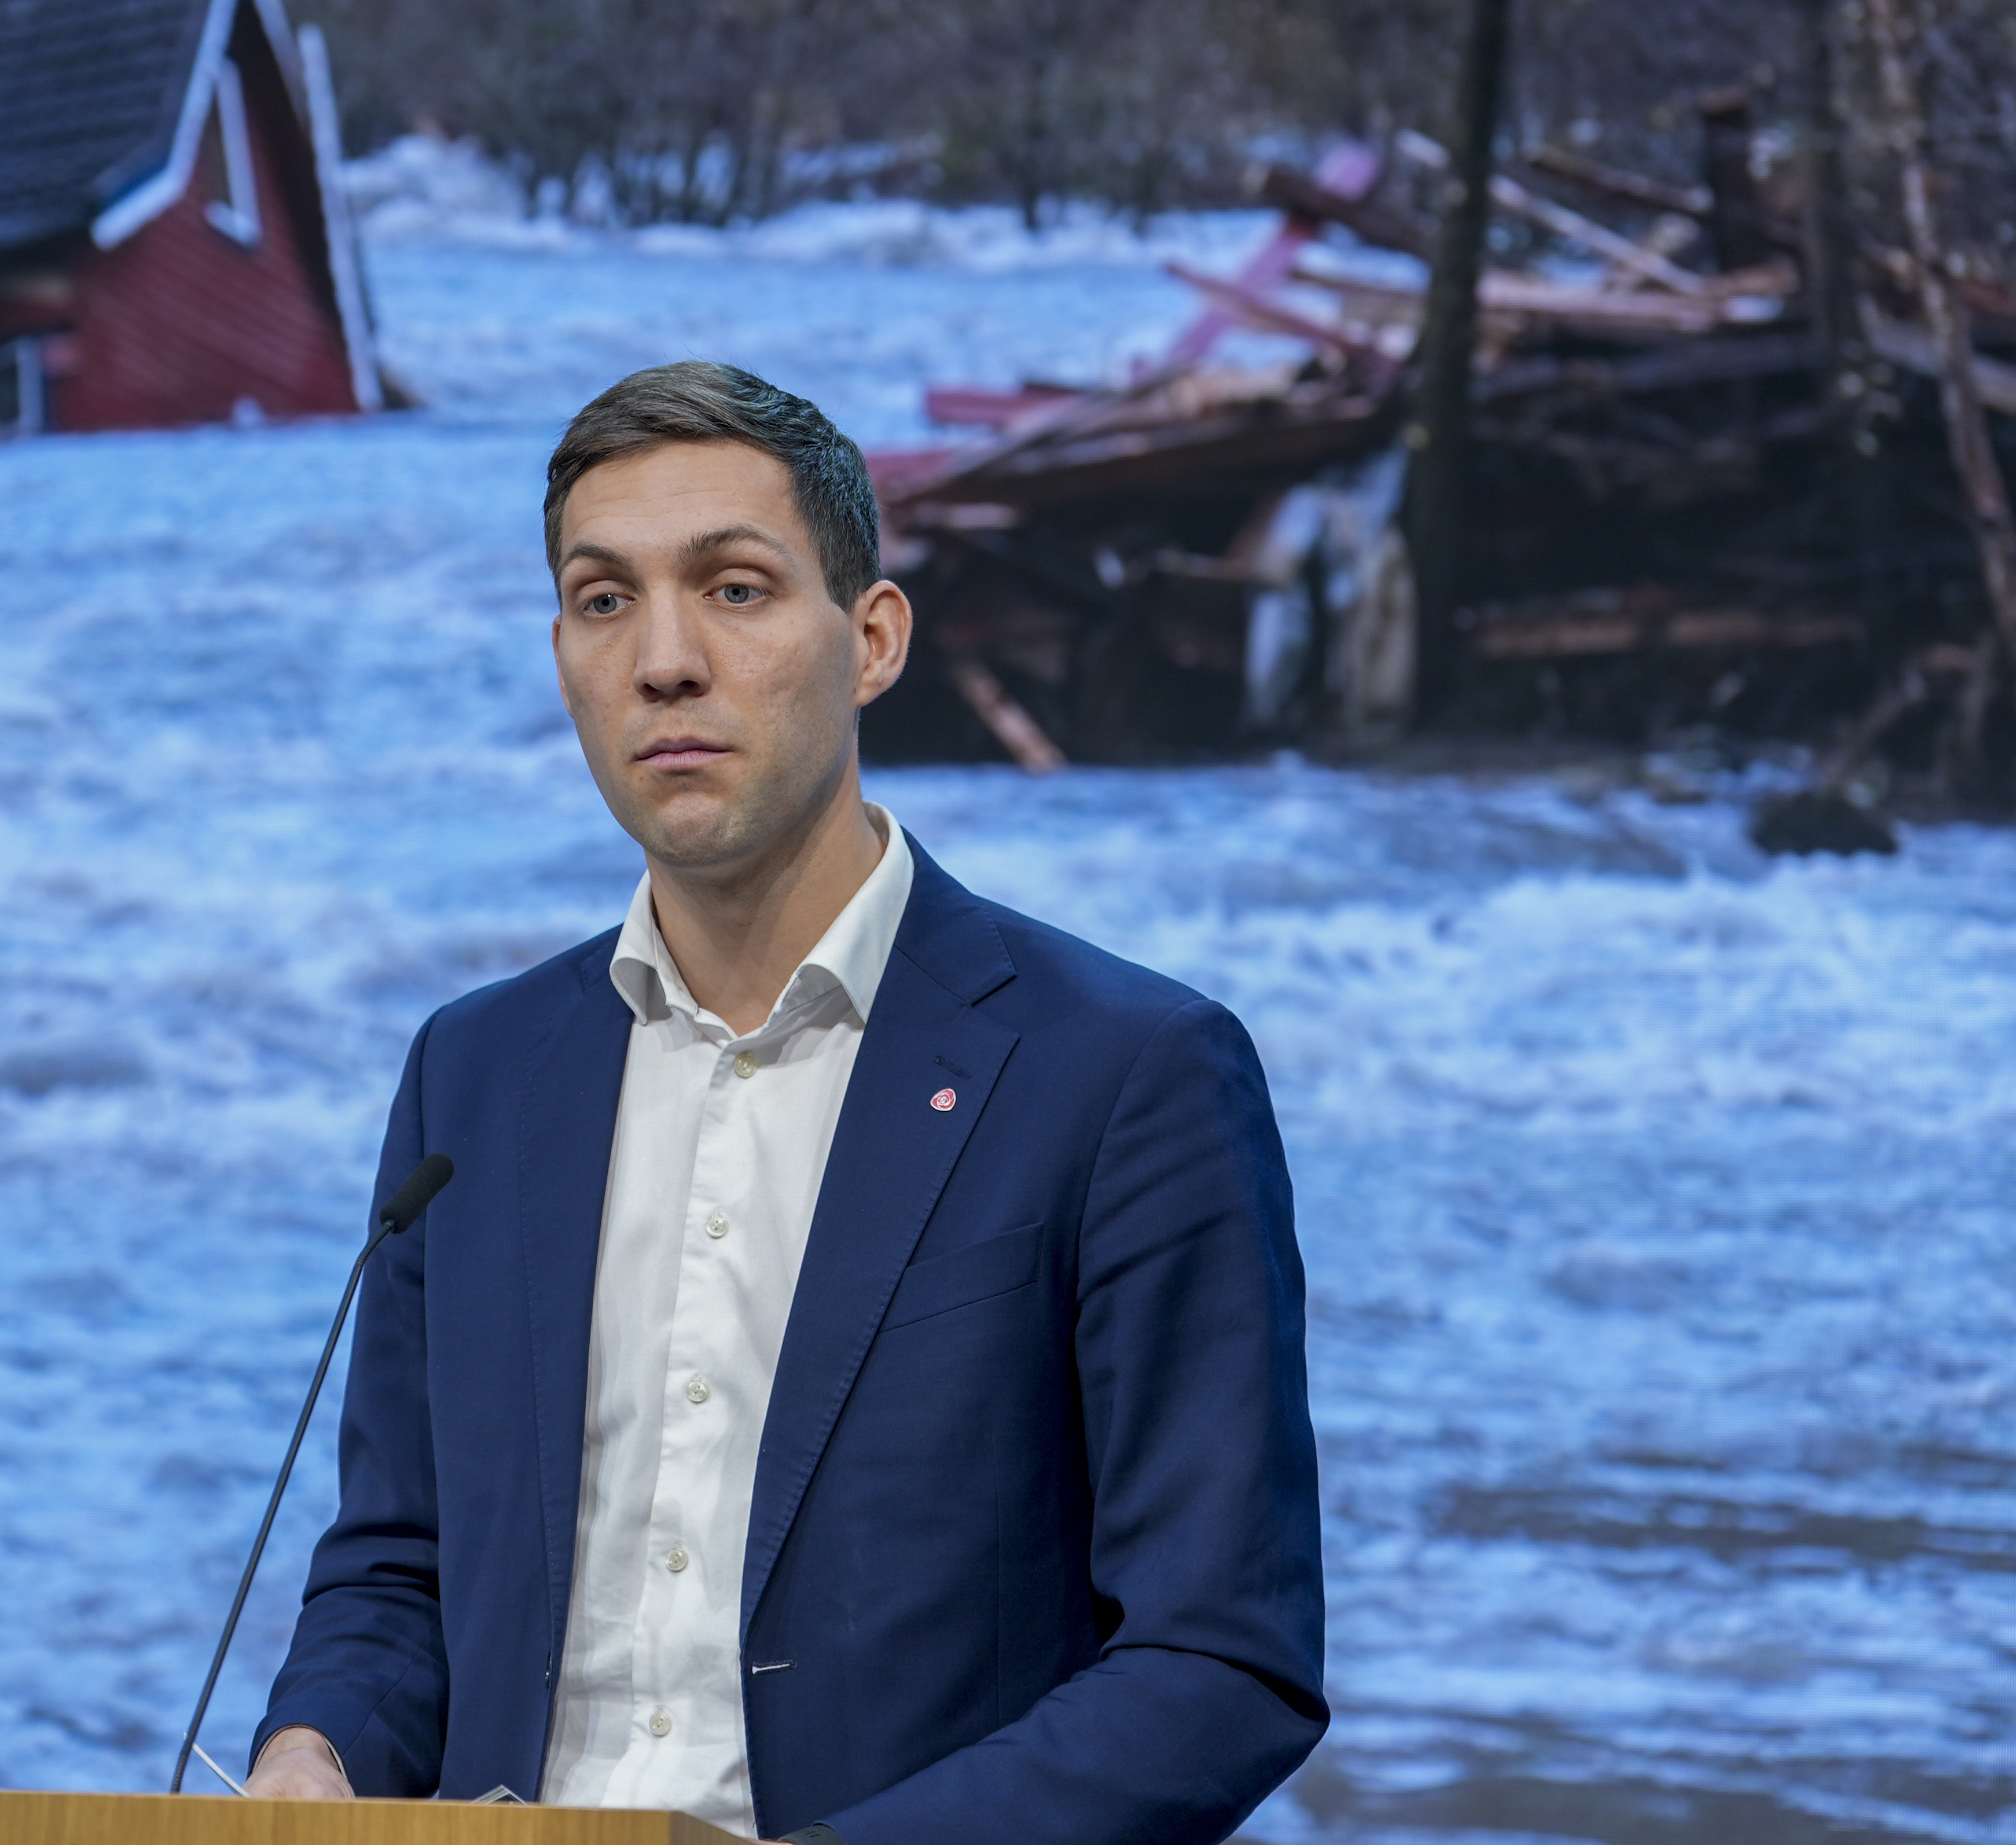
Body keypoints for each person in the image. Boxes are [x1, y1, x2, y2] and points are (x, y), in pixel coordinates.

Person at [246, 362, 1325, 1843]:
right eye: (604, 598)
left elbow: (1215, 1665)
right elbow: (398, 1568)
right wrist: (315, 1754)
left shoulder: (1128, 1073)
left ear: (872, 638)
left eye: (737, 589)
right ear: (561, 648)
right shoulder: (476, 1073)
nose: (665, 659)